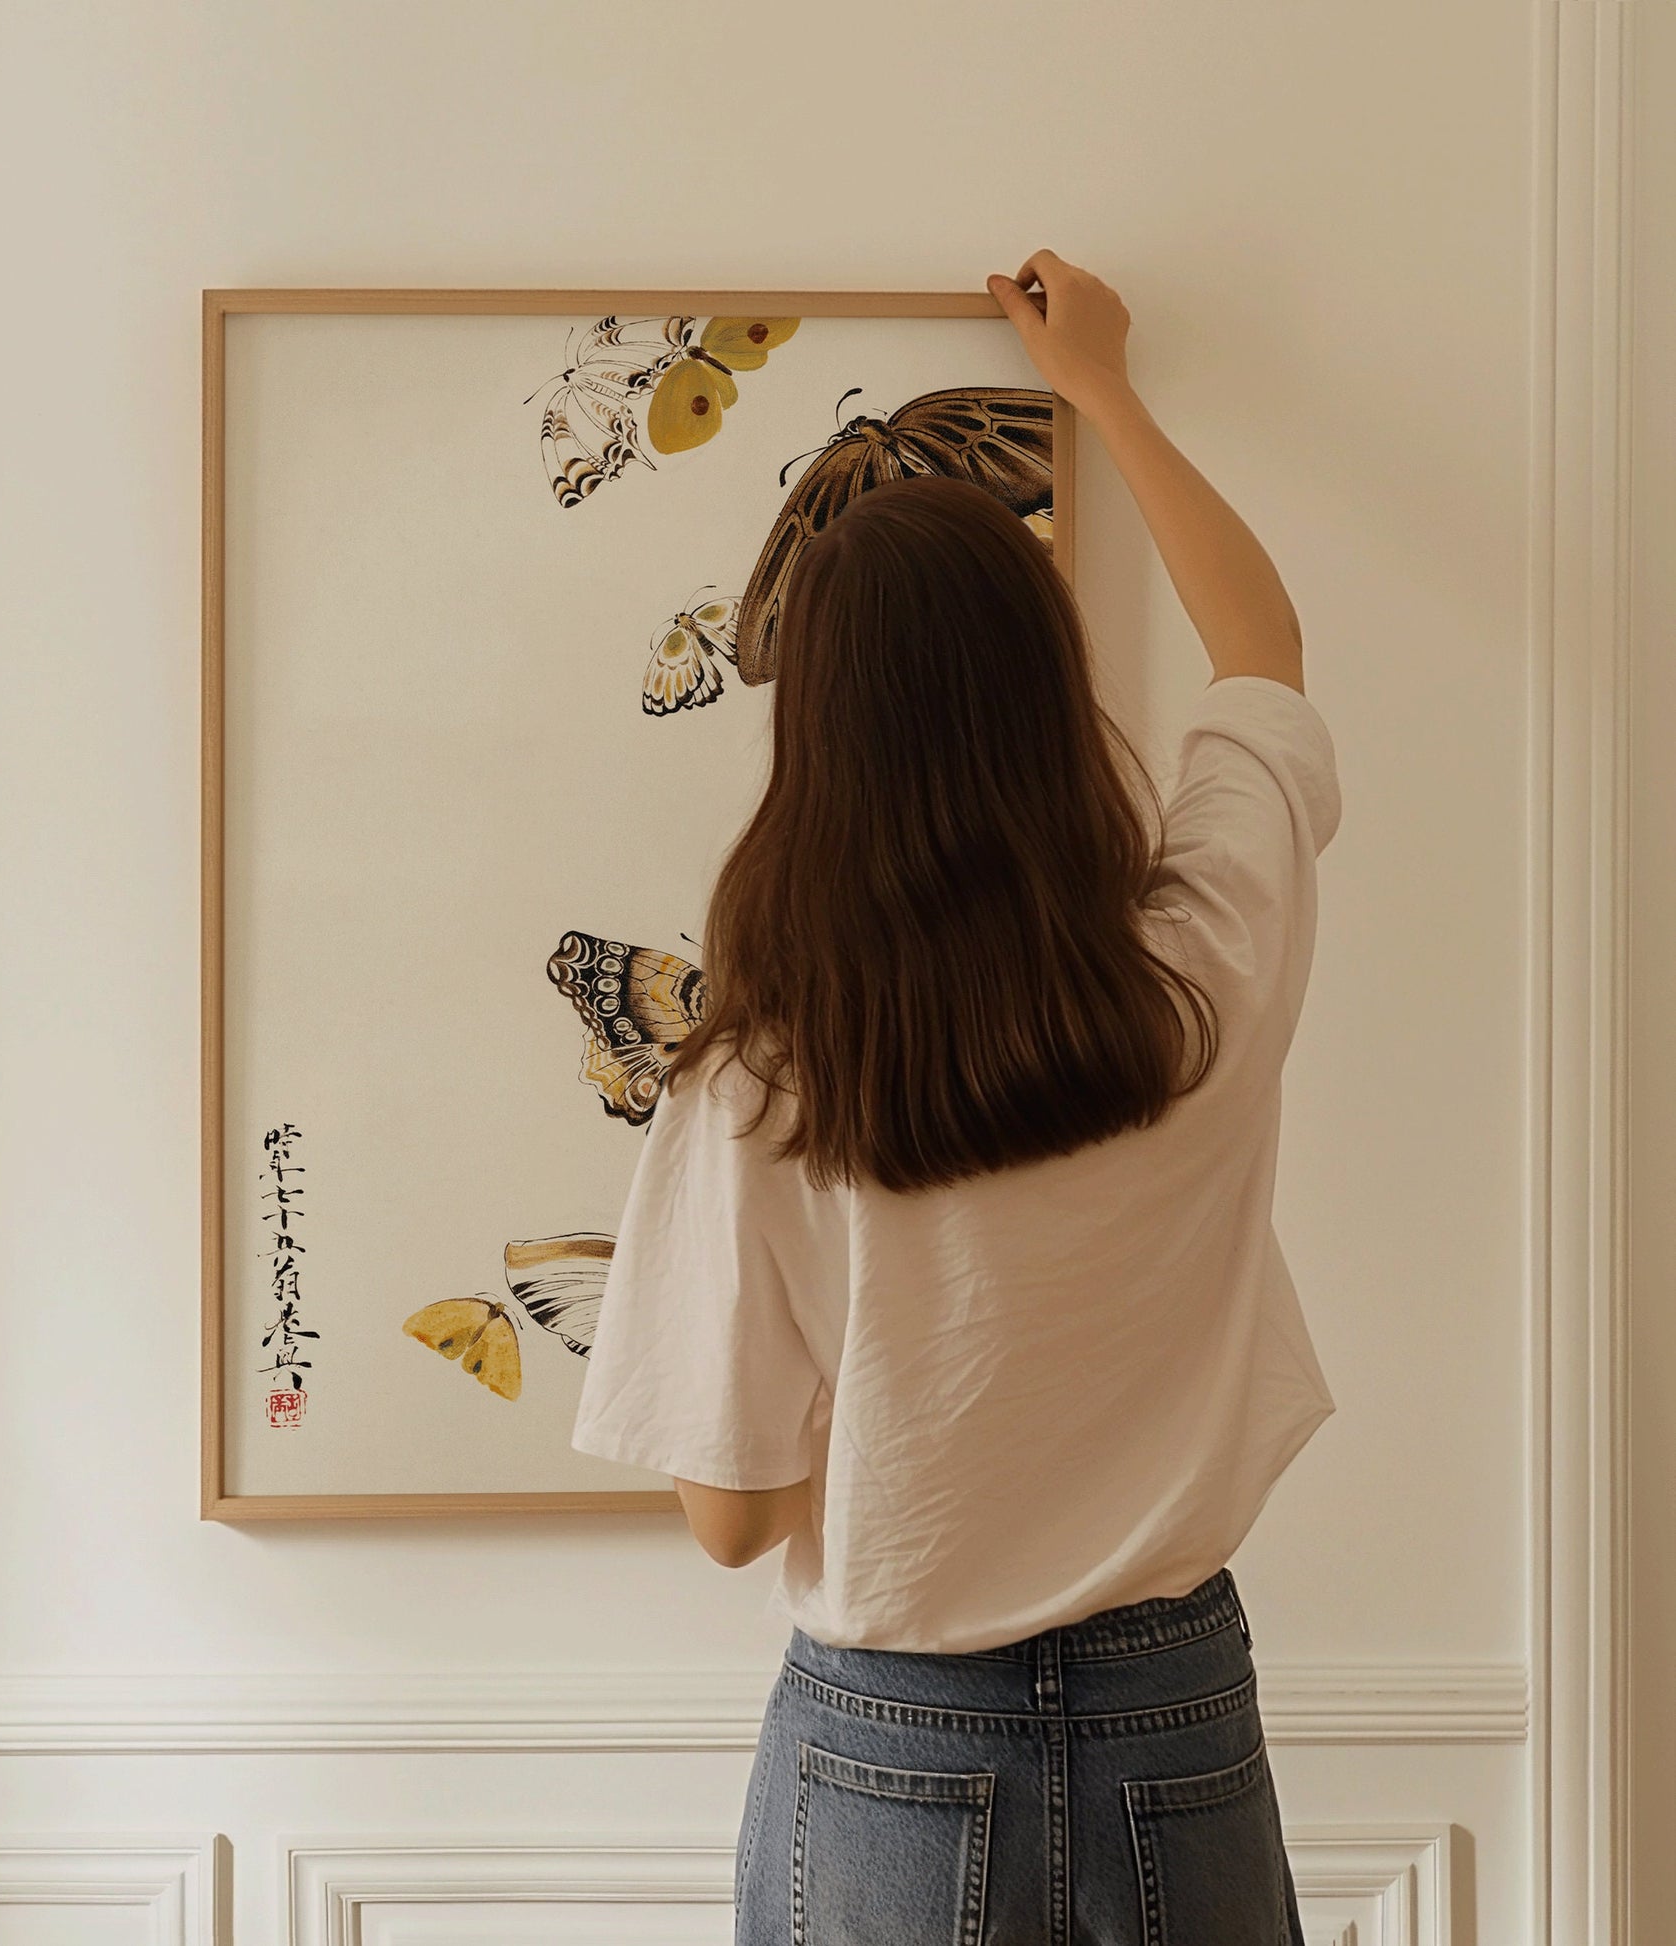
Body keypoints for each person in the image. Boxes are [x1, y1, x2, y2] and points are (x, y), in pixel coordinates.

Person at [571, 249, 1335, 1945]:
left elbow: (728, 1517)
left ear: (816, 739)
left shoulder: (762, 1077)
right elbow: (1261, 651)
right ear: (1051, 695)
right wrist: (1104, 392)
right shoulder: (1202, 962)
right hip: (1174, 1713)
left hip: (889, 1743)